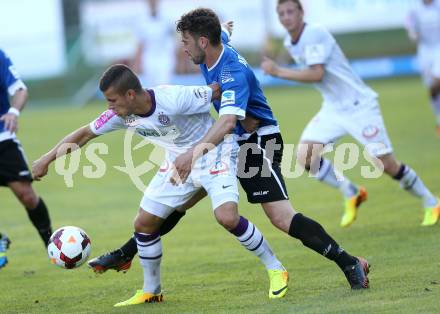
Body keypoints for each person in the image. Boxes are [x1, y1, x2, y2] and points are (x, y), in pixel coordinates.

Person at [89, 8, 370, 291]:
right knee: (179, 201)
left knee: (281, 217)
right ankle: (127, 253)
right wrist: (226, 27)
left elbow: (227, 122)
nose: (182, 48)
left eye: (185, 41)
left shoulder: (231, 71)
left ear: (201, 42)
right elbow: (221, 32)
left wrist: (191, 154)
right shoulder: (210, 47)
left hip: (257, 142)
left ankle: (349, 262)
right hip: (231, 142)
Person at [32, 64, 289, 306]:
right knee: (143, 224)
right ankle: (151, 291)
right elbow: (84, 133)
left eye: (112, 100)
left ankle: (276, 268)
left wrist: (249, 116)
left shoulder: (175, 97)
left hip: (215, 154)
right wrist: (46, 159)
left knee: (227, 217)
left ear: (130, 94)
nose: (108, 106)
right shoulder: (121, 115)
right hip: (177, 163)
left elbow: (220, 88)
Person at [260, 0, 440, 227]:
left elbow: (317, 74)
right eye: (281, 13)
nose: (286, 17)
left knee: (386, 164)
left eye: (290, 11)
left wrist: (278, 71)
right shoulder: (290, 40)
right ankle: (351, 190)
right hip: (334, 107)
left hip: (359, 106)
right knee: (304, 155)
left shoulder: (315, 33)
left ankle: (430, 200)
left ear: (301, 12)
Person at [0, 48, 53, 250]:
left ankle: (52, 245)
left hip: (2, 139)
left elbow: (20, 90)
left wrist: (13, 112)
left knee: (27, 196)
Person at [406, 0, 440, 136]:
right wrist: (413, 34)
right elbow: (410, 27)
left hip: (439, 47)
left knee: (438, 79)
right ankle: (438, 116)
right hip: (425, 50)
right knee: (432, 87)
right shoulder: (414, 8)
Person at [132, 0, 176, 87]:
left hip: (165, 58)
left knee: (164, 86)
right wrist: (136, 64)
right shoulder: (141, 20)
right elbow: (140, 44)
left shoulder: (167, 18)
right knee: (151, 88)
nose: (152, 2)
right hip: (148, 58)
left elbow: (176, 36)